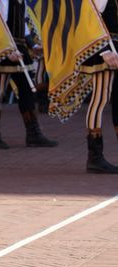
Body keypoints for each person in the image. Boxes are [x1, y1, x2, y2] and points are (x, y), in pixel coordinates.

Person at [0, 0, 57, 149]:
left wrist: (33, 45)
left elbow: (22, 26)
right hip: (3, 47)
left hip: (18, 47)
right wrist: (7, 48)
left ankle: (33, 134)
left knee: (26, 90)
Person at [80, 0, 118, 173]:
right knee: (100, 99)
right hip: (105, 48)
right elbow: (90, 17)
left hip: (114, 47)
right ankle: (94, 156)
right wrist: (103, 51)